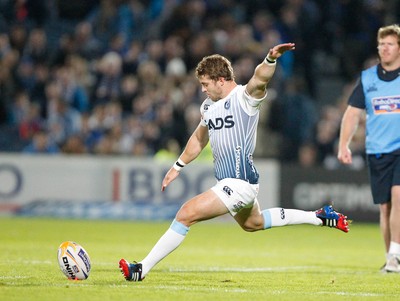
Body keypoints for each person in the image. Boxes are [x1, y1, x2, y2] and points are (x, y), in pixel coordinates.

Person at [119, 43, 349, 282]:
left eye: (205, 84)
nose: (203, 90)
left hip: (239, 183)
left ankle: (141, 269)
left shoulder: (244, 98)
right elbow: (199, 138)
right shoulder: (208, 107)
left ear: (220, 80)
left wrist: (270, 59)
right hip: (236, 183)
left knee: (186, 213)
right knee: (254, 223)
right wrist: (177, 167)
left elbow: (259, 79)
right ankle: (320, 217)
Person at [337, 24, 400, 273]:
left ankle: (396, 252)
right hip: (377, 150)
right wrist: (344, 144)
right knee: (385, 208)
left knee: (398, 196)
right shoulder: (368, 78)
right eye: (381, 44)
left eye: (390, 44)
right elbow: (352, 114)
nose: (384, 48)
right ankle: (391, 258)